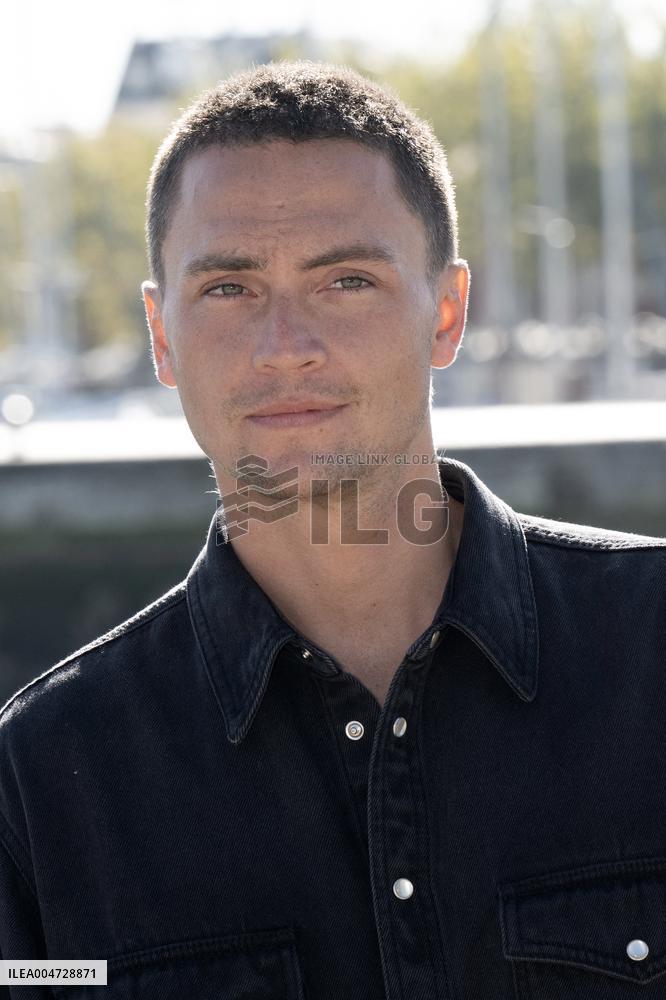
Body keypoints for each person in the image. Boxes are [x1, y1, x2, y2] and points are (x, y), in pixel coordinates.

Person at [0, 60, 664, 1000]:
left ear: (446, 312)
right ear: (160, 336)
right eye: (229, 289)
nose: (285, 346)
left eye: (345, 280)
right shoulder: (42, 784)